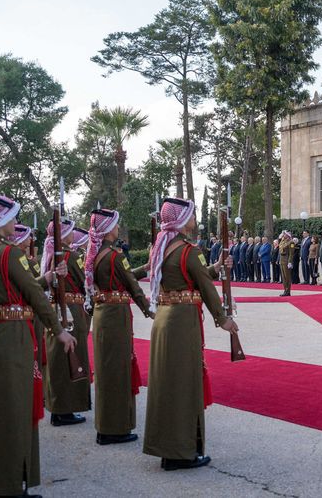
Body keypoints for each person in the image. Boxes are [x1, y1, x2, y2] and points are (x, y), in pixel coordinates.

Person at [0, 193, 77, 497]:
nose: (15, 222)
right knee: (13, 414)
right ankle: (10, 487)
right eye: (11, 217)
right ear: (0, 221)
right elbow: (34, 296)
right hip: (11, 338)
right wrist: (58, 329)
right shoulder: (10, 253)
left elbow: (17, 289)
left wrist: (48, 276)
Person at [143, 197, 238, 471]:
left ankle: (167, 447)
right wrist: (223, 319)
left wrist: (216, 267)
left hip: (164, 319)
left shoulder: (161, 246)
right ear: (183, 220)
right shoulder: (188, 249)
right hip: (182, 323)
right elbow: (205, 287)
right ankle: (180, 452)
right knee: (184, 386)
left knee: (167, 385)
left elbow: (189, 277)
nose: (195, 220)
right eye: (192, 216)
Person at [87, 208, 153, 446]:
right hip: (116, 317)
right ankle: (115, 428)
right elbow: (132, 286)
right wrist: (149, 310)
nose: (117, 228)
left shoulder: (95, 255)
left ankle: (104, 426)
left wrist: (143, 268)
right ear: (107, 230)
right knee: (118, 372)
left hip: (103, 314)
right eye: (115, 225)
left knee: (106, 371)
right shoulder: (115, 256)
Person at [42, 217, 92, 427]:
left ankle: (59, 407)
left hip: (61, 308)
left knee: (59, 362)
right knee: (70, 359)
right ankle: (64, 409)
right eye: (70, 230)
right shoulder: (70, 255)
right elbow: (84, 281)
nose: (73, 234)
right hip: (71, 309)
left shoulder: (54, 255)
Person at [278, 232, 294, 297]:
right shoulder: (283, 241)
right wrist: (280, 237)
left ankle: (288, 291)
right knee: (283, 277)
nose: (283, 235)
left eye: (284, 234)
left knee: (287, 277)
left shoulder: (291, 242)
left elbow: (291, 253)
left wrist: (290, 262)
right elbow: (279, 244)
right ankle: (285, 290)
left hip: (286, 260)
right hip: (282, 260)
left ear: (288, 235)